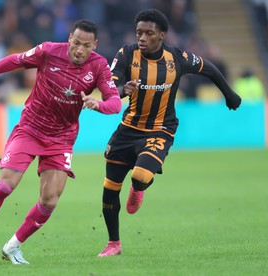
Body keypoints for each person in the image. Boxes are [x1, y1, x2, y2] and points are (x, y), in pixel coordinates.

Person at [0, 19, 121, 265]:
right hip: (30, 128)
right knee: (6, 184)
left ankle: (13, 247)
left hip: (61, 138)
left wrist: (97, 104)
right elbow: (13, 61)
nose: (80, 50)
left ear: (95, 45)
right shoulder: (48, 51)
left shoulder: (99, 65)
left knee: (50, 199)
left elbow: (115, 102)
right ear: (69, 38)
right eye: (77, 43)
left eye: (87, 45)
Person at [97, 9, 241, 257]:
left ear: (162, 35)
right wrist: (123, 89)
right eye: (139, 32)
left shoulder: (177, 57)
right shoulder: (126, 53)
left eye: (149, 33)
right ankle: (113, 244)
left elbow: (209, 69)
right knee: (110, 187)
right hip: (128, 129)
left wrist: (229, 94)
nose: (142, 37)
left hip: (160, 130)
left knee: (140, 175)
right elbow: (109, 90)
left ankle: (138, 189)